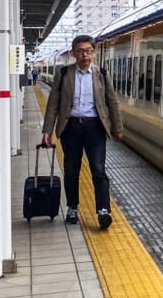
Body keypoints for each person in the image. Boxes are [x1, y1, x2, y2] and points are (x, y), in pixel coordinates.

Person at [41, 35, 122, 229]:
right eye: (80, 51)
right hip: (71, 127)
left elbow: (112, 102)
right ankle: (72, 208)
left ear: (93, 52)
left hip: (95, 127)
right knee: (71, 170)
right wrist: (47, 130)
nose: (84, 54)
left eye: (88, 50)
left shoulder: (101, 73)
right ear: (74, 53)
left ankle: (103, 210)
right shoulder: (64, 73)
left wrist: (117, 128)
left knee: (99, 169)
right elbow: (53, 104)